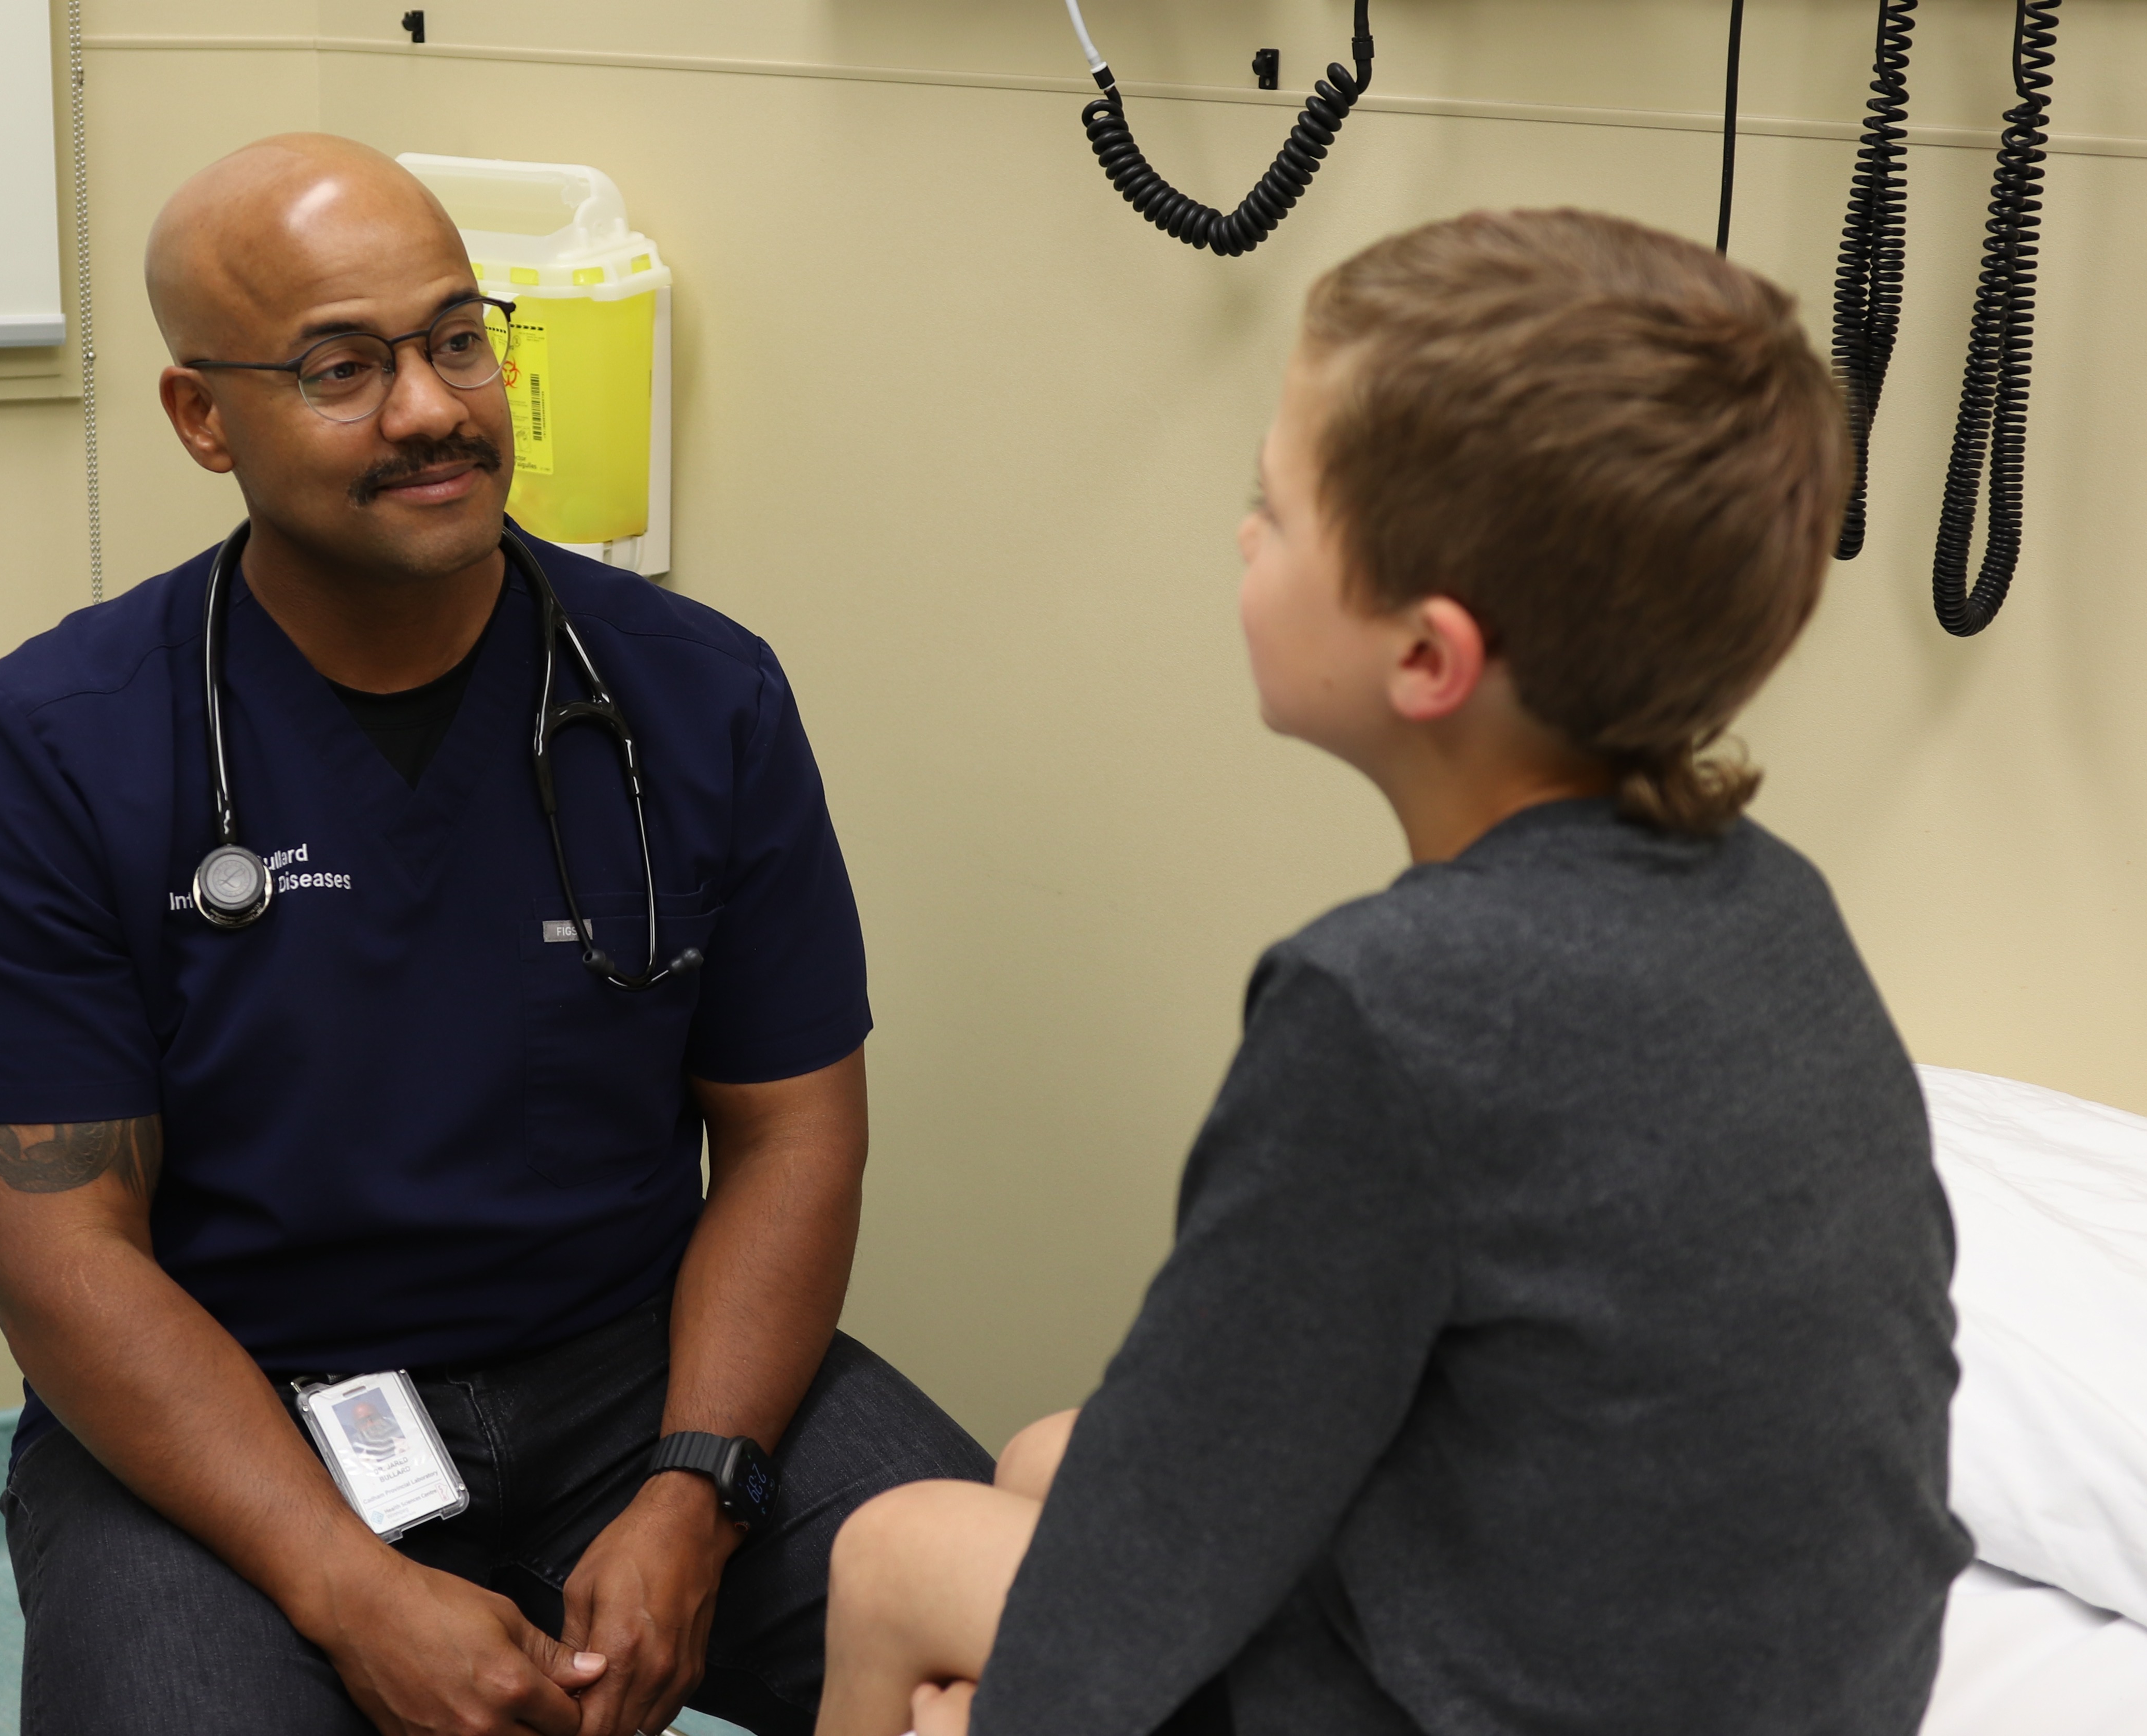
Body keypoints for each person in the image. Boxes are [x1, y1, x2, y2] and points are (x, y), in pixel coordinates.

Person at [814, 209, 1973, 1736]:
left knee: (897, 1554)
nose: (1242, 535)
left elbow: (1154, 1549)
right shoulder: (1767, 903)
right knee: (1040, 1460)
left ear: (1425, 659)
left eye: (1272, 508)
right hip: (1794, 1685)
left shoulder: (1392, 1007)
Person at [0, 133, 989, 1736]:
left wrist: (697, 1487)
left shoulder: (697, 695)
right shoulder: (65, 741)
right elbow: (65, 1264)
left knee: (1060, 1651)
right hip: (242, 1406)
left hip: (639, 1377)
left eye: (458, 339)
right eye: (341, 368)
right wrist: (344, 1585)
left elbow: (791, 1135)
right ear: (203, 417)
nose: (430, 409)